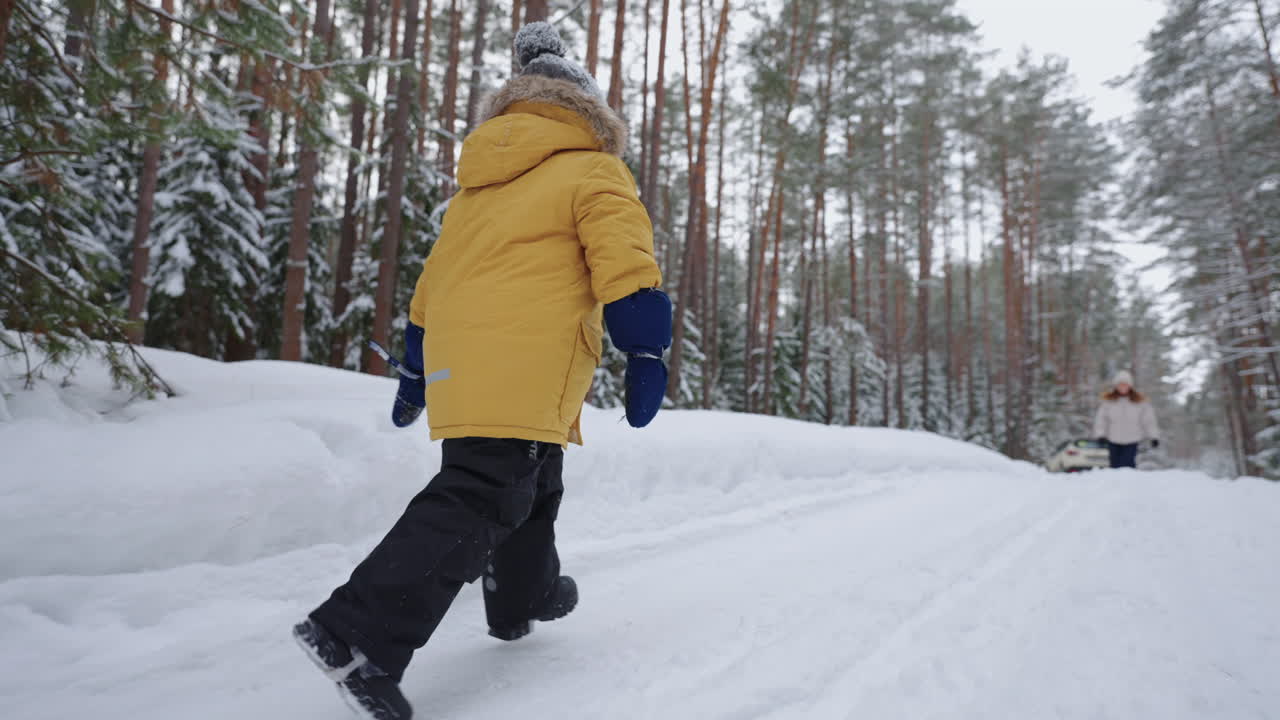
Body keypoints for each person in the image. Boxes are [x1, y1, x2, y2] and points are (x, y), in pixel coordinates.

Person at [292, 22, 670, 720]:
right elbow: (624, 262)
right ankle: (356, 633)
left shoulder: (476, 190)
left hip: (461, 360)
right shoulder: (594, 169)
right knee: (486, 492)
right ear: (588, 113)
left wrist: (414, 370)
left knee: (529, 478)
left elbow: (432, 285)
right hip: (528, 355)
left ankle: (520, 597)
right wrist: (645, 349)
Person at [1093, 370, 1160, 469]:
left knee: (1127, 466)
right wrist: (1100, 435)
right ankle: (1114, 484)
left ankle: (1129, 483)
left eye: (1125, 384)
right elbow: (1101, 420)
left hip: (1132, 440)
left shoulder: (1139, 402)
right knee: (1115, 466)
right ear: (1116, 386)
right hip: (1113, 439)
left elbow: (1149, 421)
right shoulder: (1108, 402)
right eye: (1120, 384)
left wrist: (1154, 437)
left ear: (1130, 385)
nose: (1123, 387)